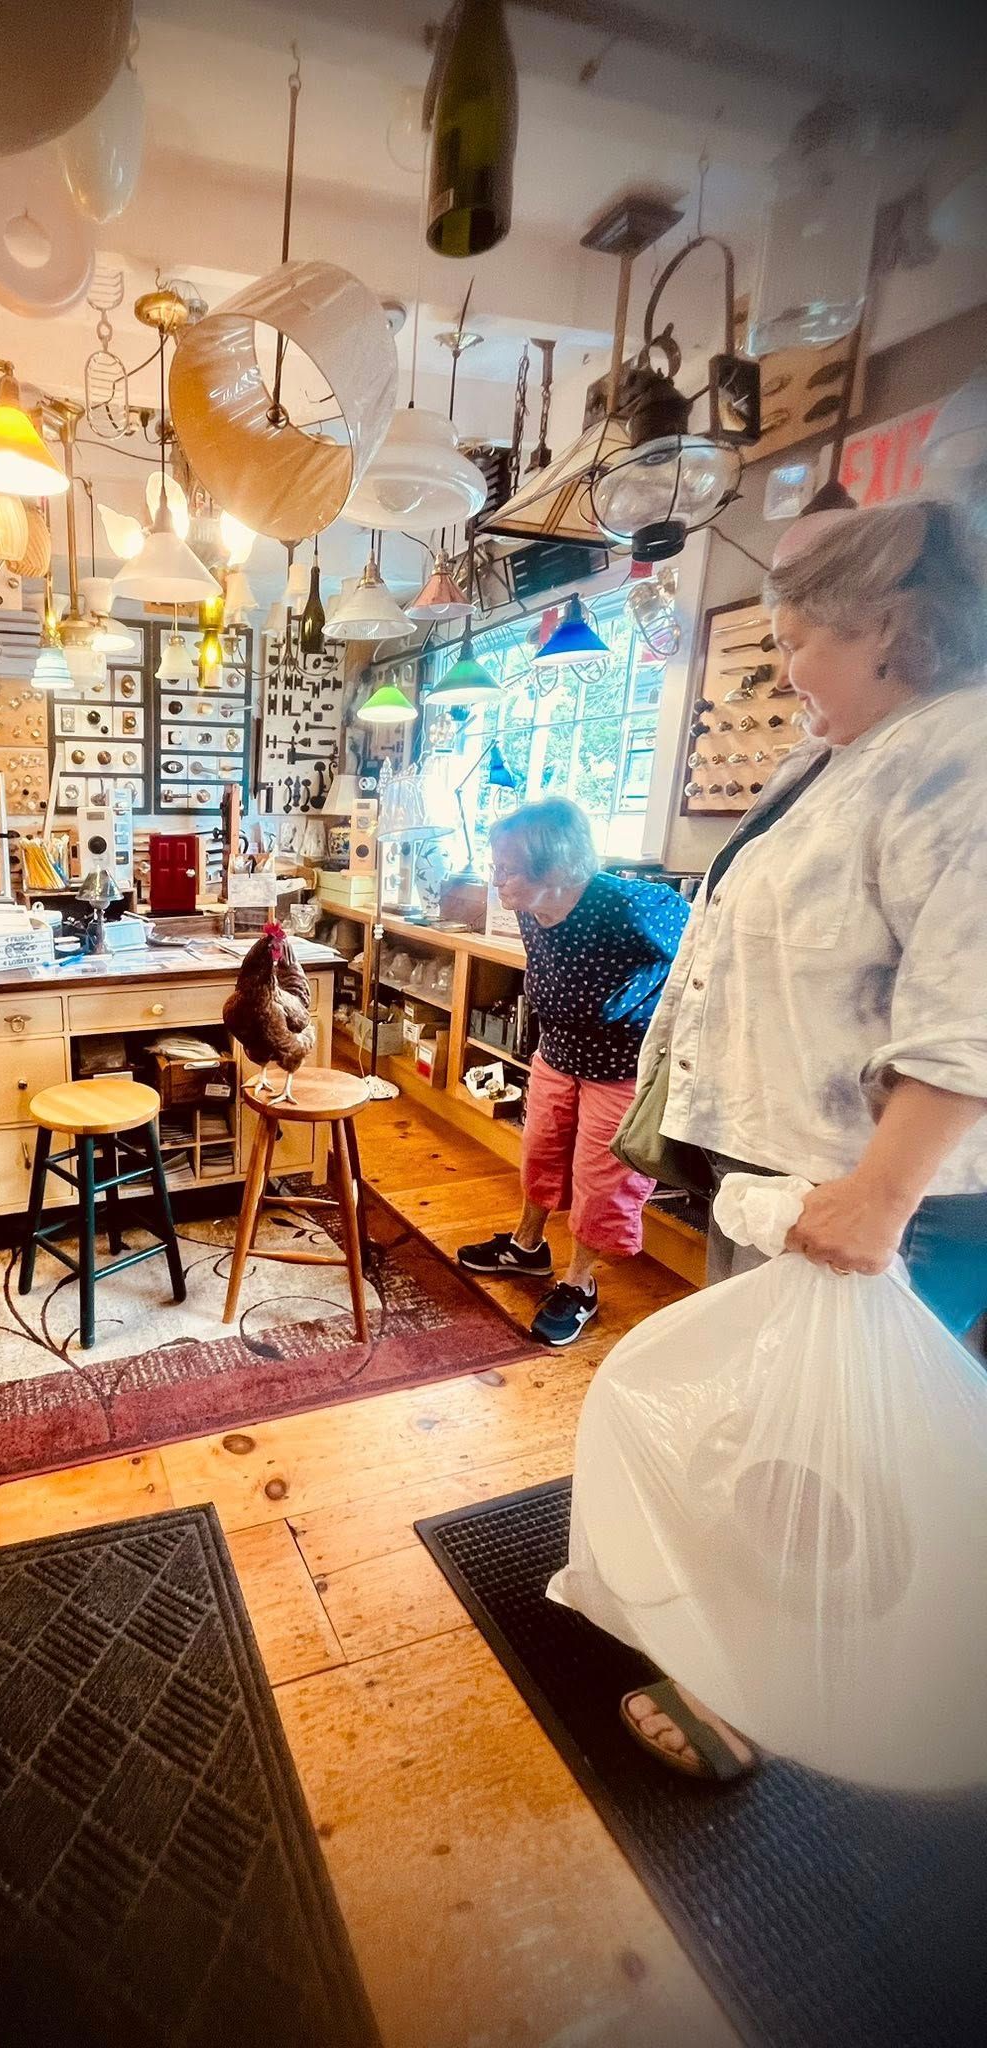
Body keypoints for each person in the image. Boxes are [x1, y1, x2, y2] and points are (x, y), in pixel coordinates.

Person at [622, 497, 987, 1779]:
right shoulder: (837, 757)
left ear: (890, 624)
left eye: (798, 640)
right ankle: (741, 1650)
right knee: (760, 1432)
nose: (784, 670)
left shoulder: (968, 755)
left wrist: (881, 1196)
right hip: (782, 1181)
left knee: (824, 1461)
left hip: (871, 1200)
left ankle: (759, 1698)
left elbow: (971, 1007)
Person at [457, 799, 689, 1346]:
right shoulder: (528, 904)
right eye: (495, 867)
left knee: (601, 1180)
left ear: (557, 868)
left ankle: (580, 1284)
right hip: (557, 1052)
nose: (497, 882)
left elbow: (703, 945)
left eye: (507, 869)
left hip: (621, 1064)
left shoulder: (629, 907)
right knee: (540, 1153)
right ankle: (527, 1247)